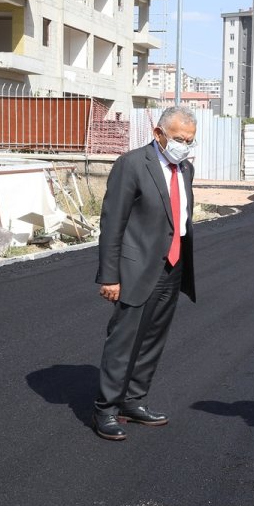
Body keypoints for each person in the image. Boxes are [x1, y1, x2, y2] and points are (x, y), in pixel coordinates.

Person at [92, 106, 197, 441]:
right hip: (136, 270)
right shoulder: (133, 164)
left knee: (153, 340)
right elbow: (112, 223)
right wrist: (110, 276)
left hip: (172, 267)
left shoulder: (185, 169)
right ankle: (106, 409)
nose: (184, 145)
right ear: (158, 134)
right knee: (123, 341)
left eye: (190, 141)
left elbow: (178, 220)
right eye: (179, 139)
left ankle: (133, 401)